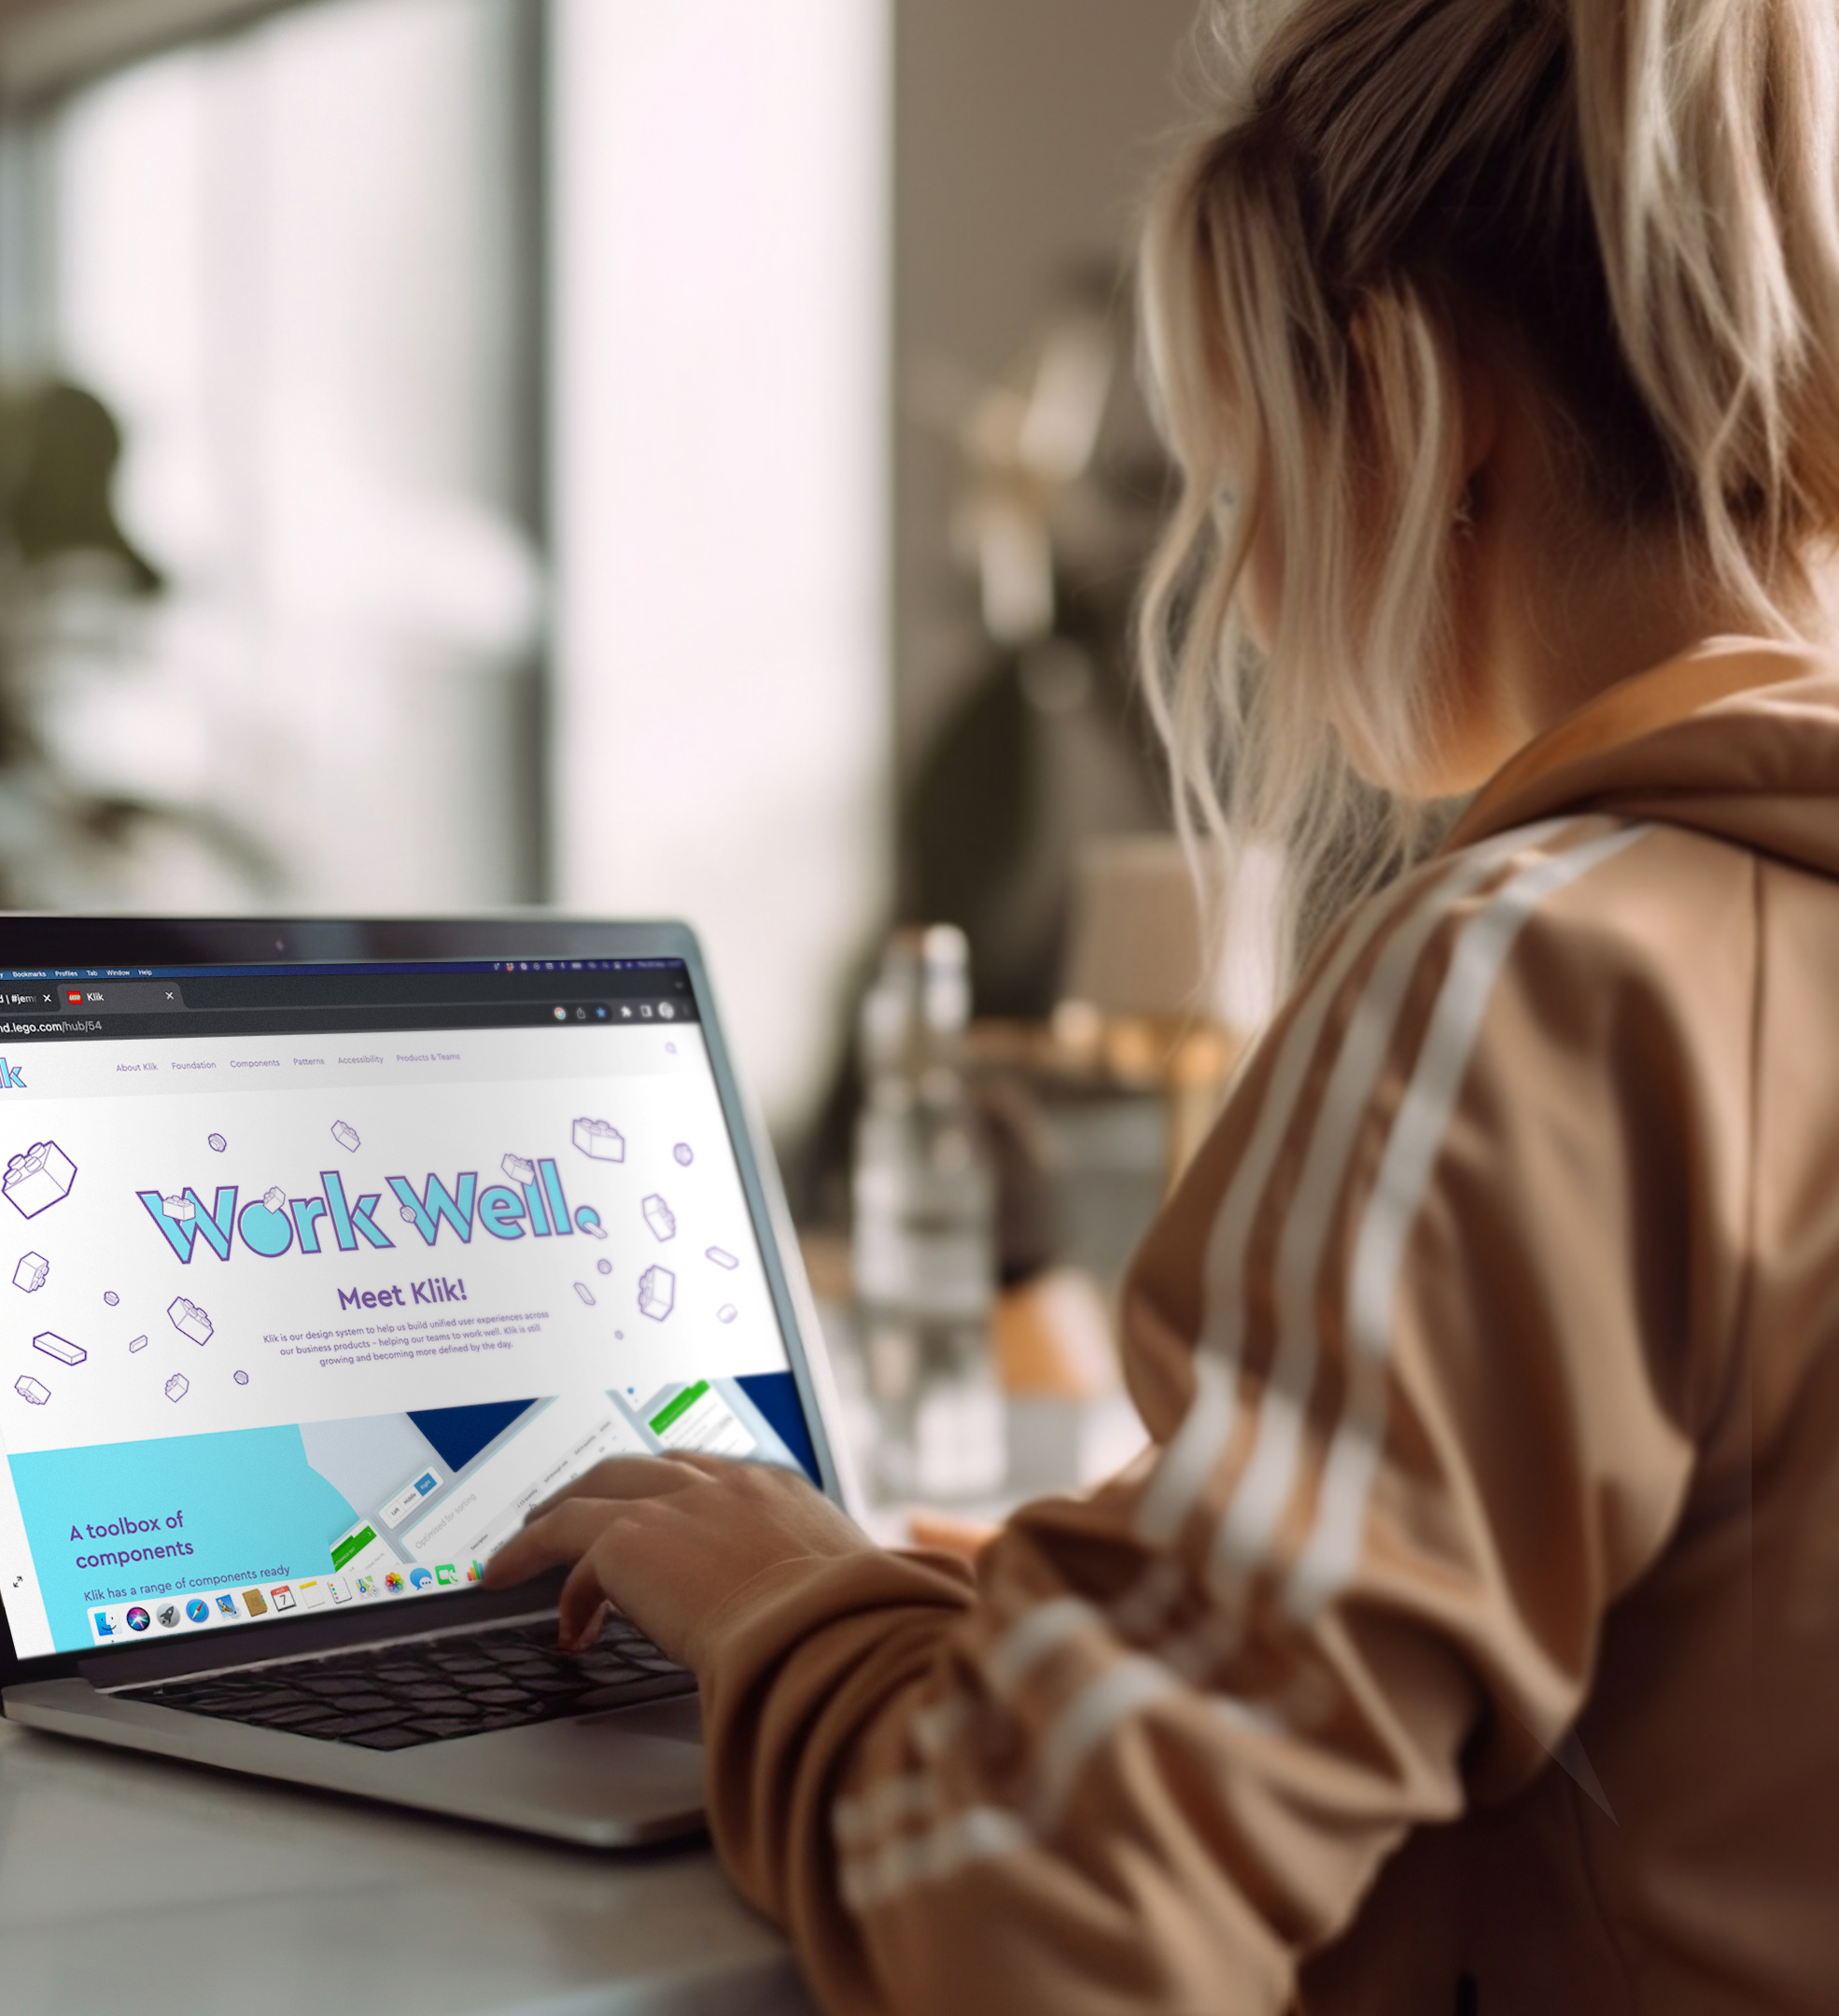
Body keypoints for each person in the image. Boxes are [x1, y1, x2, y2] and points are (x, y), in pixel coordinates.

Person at [488, 0, 1839, 2005]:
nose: (1249, 571)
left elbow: (1052, 1918)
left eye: (1235, 469)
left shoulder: (1530, 979)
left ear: (1407, 389)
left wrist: (791, 1618)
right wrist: (1036, 1605)